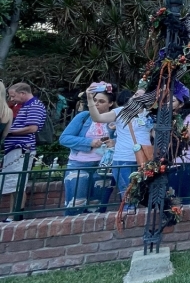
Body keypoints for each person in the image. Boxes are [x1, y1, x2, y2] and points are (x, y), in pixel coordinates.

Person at [87, 86, 154, 204]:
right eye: (135, 94)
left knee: (143, 195)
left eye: (141, 95)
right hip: (124, 159)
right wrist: (89, 99)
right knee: (129, 196)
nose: (136, 97)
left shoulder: (149, 115)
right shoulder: (120, 112)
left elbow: (156, 135)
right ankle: (130, 219)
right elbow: (97, 117)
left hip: (144, 160)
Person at [59, 86, 117, 214]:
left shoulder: (115, 119)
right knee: (75, 205)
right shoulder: (84, 116)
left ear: (110, 103)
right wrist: (89, 142)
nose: (96, 104)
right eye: (95, 100)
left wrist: (114, 142)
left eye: (101, 101)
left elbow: (125, 141)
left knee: (97, 208)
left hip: (104, 167)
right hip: (79, 165)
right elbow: (64, 138)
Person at [2, 83, 47, 212]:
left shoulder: (35, 106)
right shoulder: (23, 106)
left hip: (22, 148)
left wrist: (8, 132)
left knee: (18, 183)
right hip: (14, 147)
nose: (12, 99)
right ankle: (12, 212)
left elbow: (33, 128)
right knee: (12, 183)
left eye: (13, 96)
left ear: (22, 93)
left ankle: (16, 214)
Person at [168, 86, 190, 204]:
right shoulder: (172, 118)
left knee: (182, 200)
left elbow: (185, 137)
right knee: (170, 199)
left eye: (172, 101)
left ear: (181, 104)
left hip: (187, 164)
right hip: (173, 164)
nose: (168, 103)